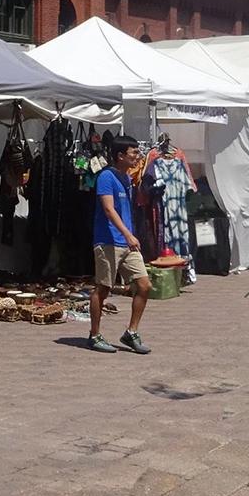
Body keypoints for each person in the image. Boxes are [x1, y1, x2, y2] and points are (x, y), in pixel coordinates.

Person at [89, 136, 151, 355]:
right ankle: (95, 335)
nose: (137, 156)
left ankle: (131, 332)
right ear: (120, 155)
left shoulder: (126, 178)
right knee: (103, 288)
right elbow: (108, 209)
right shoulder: (106, 176)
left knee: (144, 285)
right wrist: (127, 234)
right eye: (133, 152)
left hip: (127, 243)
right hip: (108, 241)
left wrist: (130, 236)